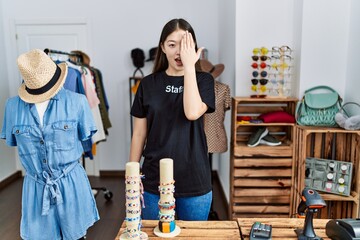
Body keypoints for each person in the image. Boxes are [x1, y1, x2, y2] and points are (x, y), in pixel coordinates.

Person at [1, 49, 99, 240]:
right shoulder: (12, 107)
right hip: (36, 188)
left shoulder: (77, 102)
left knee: (76, 237)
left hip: (70, 184)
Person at [129, 18, 215, 221]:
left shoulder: (204, 81)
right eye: (172, 45)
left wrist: (190, 67)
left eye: (184, 45)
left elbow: (192, 112)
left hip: (195, 181)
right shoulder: (148, 84)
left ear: (193, 47)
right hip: (153, 180)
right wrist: (132, 174)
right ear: (162, 48)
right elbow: (139, 133)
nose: (178, 52)